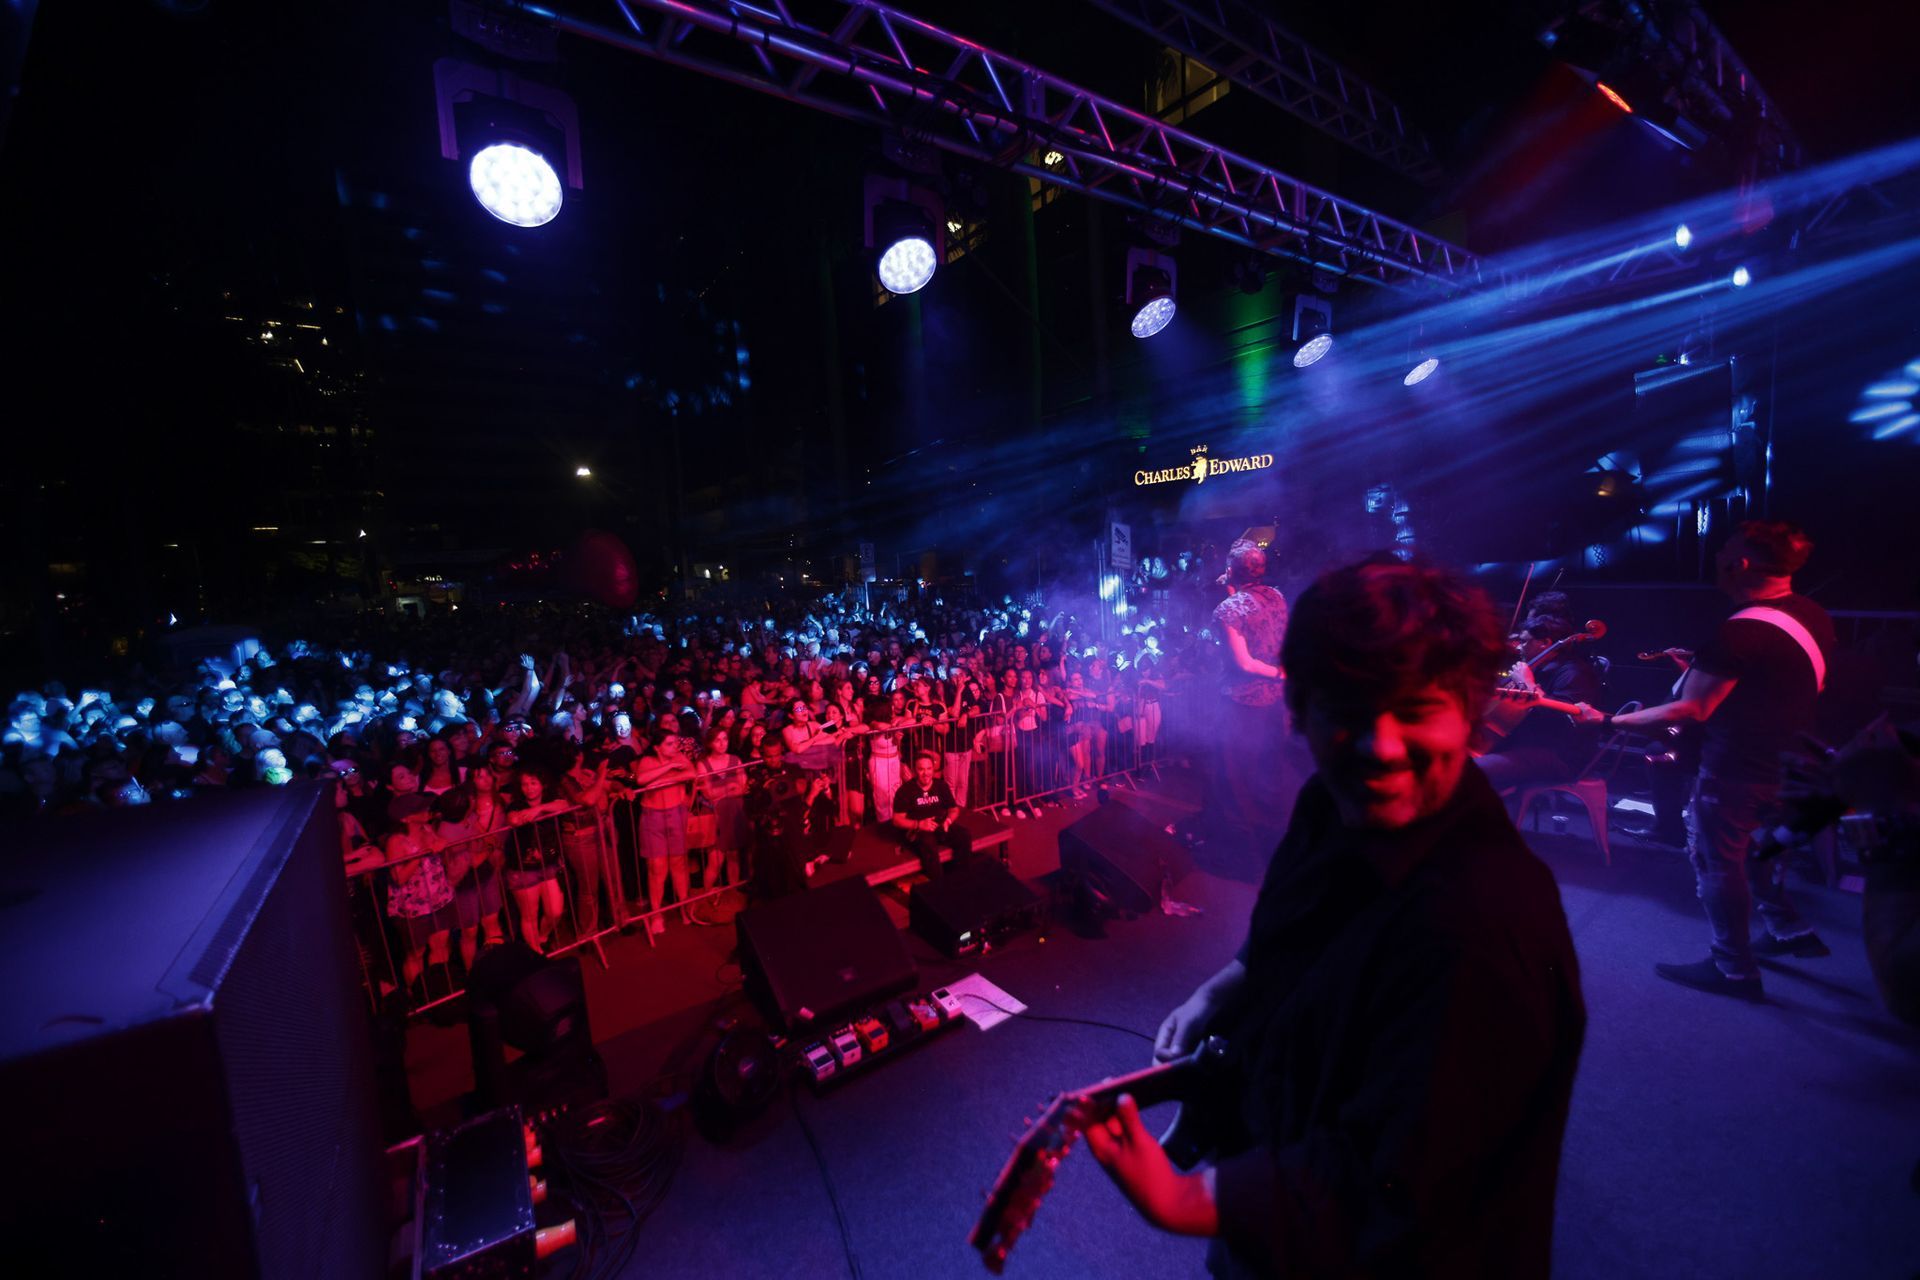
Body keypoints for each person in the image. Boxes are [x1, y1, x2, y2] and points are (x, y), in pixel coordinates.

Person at [1089, 556, 1585, 1277]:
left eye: (1415, 710)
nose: (1379, 749)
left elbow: (1406, 1177)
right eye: (1347, 711)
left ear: (1471, 713)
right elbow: (1298, 928)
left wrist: (1185, 1203)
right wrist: (1227, 986)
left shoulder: (1484, 926)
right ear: (1301, 710)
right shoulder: (1327, 802)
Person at [1577, 521, 1836, 999]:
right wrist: (1699, 672)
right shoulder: (1810, 614)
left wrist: (1607, 721)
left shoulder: (1739, 633)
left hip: (1736, 769)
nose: (1716, 558)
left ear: (1738, 565)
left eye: (1722, 551)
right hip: (1792, 762)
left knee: (1716, 861)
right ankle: (1789, 930)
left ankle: (1734, 968)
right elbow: (1780, 684)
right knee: (1759, 851)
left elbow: (1689, 710)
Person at [1210, 539, 1294, 852]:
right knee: (1271, 766)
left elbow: (1243, 663)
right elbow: (1254, 617)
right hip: (1276, 702)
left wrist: (1277, 672)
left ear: (1231, 569)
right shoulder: (1276, 596)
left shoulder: (1227, 610)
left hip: (1242, 703)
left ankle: (1243, 846)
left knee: (1234, 773)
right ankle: (1280, 837)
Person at [1473, 594, 1605, 792]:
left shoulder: (1574, 673)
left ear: (1545, 643)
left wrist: (1527, 683)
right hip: (1527, 744)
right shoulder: (1539, 668)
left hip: (1560, 756)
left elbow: (1561, 721)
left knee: (1474, 771)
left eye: (1525, 642)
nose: (1519, 648)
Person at [891, 751, 972, 881]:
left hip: (939, 824)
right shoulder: (905, 791)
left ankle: (961, 879)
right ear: (914, 770)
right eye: (921, 769)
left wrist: (948, 821)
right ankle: (938, 886)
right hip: (916, 829)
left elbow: (954, 809)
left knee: (964, 835)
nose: (926, 773)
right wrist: (919, 824)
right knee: (928, 843)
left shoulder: (941, 785)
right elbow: (897, 820)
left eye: (929, 769)